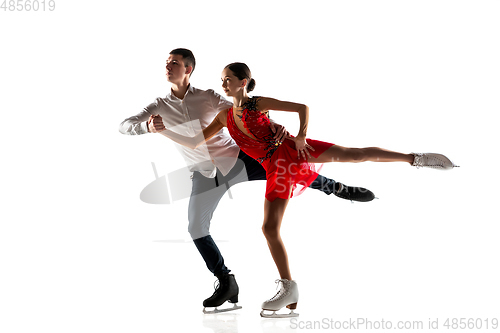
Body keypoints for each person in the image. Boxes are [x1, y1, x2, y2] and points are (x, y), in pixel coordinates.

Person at [152, 62, 458, 318]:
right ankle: (288, 287)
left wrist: (301, 136)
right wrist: (164, 131)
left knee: (354, 153)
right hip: (276, 167)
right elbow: (195, 143)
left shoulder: (258, 104)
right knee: (269, 229)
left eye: (228, 80)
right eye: (222, 82)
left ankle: (415, 159)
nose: (224, 85)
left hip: (292, 150)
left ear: (244, 82)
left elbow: (302, 107)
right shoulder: (224, 116)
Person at [119, 50, 375, 315]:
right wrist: (146, 127)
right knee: (196, 227)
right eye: (166, 63)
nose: (168, 66)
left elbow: (239, 113)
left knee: (288, 167)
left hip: (237, 160)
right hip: (204, 174)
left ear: (189, 69)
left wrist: (273, 123)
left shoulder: (207, 97)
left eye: (174, 63)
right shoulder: (159, 105)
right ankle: (226, 282)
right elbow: (124, 125)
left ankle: (335, 188)